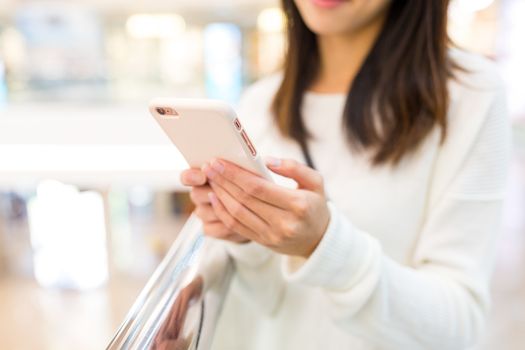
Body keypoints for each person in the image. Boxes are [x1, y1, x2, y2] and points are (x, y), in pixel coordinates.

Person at [181, 0, 510, 349]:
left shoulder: (469, 94)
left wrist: (324, 244)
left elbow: (458, 328)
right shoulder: (260, 103)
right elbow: (267, 306)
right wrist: (245, 235)